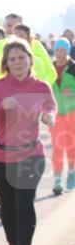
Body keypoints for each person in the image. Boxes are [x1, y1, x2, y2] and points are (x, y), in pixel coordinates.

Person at [0, 38, 56, 245]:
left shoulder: (41, 87)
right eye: (12, 59)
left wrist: (49, 116)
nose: (18, 62)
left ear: (30, 59)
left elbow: (51, 106)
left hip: (31, 154)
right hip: (2, 155)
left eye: (21, 57)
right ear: (6, 63)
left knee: (24, 203)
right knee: (7, 206)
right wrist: (0, 107)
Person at [0, 14, 56, 84]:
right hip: (4, 92)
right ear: (4, 27)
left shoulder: (36, 45)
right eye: (9, 26)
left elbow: (51, 73)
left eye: (16, 26)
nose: (12, 29)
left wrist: (40, 87)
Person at [49, 37, 75, 194]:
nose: (60, 54)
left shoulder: (73, 67)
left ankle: (72, 172)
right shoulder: (50, 68)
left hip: (73, 112)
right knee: (57, 146)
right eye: (58, 50)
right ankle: (57, 179)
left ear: (68, 51)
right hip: (56, 113)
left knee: (72, 145)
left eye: (63, 50)